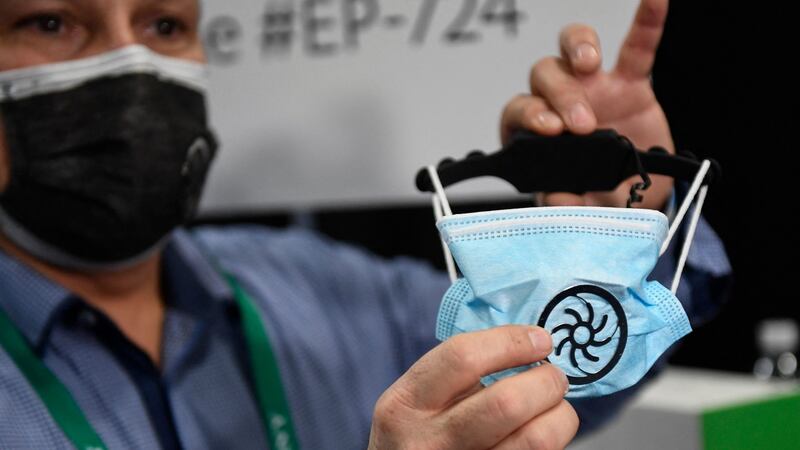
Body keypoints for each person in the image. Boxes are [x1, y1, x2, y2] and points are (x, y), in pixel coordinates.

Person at [0, 0, 728, 449]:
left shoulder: (312, 286)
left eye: (165, 25)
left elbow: (576, 380)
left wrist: (595, 251)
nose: (130, 65)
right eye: (51, 22)